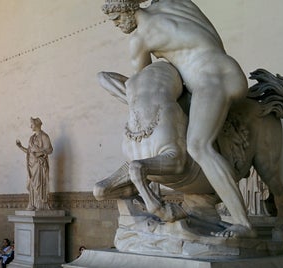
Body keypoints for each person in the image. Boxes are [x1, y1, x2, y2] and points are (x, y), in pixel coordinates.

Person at [101, 0, 254, 238]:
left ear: (129, 10)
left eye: (118, 19)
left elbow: (143, 87)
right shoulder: (172, 4)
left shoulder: (140, 39)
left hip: (209, 80)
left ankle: (244, 224)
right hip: (227, 68)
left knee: (198, 146)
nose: (117, 25)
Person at [16, 117, 53, 211]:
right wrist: (20, 147)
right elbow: (29, 152)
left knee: (39, 184)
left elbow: (50, 150)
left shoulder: (44, 136)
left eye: (32, 124)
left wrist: (39, 152)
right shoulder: (31, 138)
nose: (30, 126)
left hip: (39, 165)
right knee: (32, 184)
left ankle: (40, 204)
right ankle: (32, 204)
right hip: (31, 165)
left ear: (36, 125)